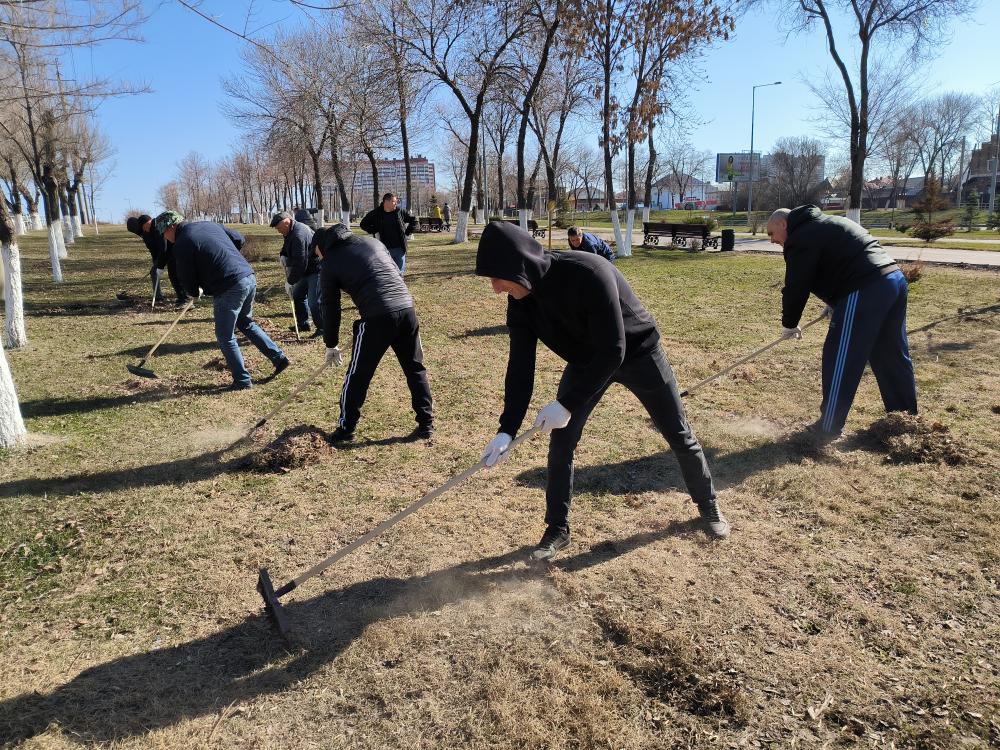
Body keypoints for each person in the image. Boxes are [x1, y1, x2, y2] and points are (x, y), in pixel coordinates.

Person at [475, 221, 729, 561]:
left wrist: (566, 404)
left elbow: (614, 349)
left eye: (496, 277)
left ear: (517, 266)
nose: (494, 288)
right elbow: (520, 368)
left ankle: (708, 506)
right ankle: (557, 529)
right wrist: (507, 429)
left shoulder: (589, 271)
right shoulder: (521, 303)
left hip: (638, 353)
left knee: (677, 432)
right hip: (586, 360)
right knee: (561, 442)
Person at [767, 205, 917, 441]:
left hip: (866, 287)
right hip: (893, 280)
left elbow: (797, 285)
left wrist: (789, 323)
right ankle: (905, 419)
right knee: (891, 353)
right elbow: (841, 260)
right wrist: (837, 301)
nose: (772, 241)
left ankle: (828, 428)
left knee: (841, 356)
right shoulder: (825, 223)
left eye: (771, 234)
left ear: (783, 224)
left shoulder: (801, 237)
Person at [314, 222, 434, 443]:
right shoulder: (373, 242)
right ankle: (426, 423)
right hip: (407, 309)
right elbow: (395, 274)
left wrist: (331, 343)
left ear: (322, 246)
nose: (317, 258)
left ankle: (346, 429)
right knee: (415, 368)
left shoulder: (330, 263)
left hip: (377, 318)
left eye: (317, 254)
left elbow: (330, 307)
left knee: (358, 375)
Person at [153, 211, 290, 391]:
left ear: (171, 227)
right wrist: (225, 256)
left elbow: (186, 276)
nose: (165, 238)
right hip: (248, 276)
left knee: (225, 336)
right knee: (245, 322)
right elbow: (239, 239)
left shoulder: (182, 243)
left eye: (164, 233)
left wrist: (193, 292)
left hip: (229, 286)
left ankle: (242, 381)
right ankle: (279, 358)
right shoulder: (209, 224)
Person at [271, 210, 323, 337]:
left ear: (287, 223)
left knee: (314, 303)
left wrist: (290, 281)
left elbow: (300, 262)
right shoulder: (289, 231)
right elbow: (286, 245)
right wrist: (283, 254)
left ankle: (323, 329)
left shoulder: (299, 234)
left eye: (279, 228)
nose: (278, 231)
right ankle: (303, 324)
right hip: (304, 270)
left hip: (315, 270)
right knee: (298, 295)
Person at [125, 214, 190, 306]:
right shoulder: (148, 230)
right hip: (166, 254)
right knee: (167, 274)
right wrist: (156, 263)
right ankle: (180, 297)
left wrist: (159, 264)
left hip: (171, 252)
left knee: (176, 274)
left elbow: (163, 247)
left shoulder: (155, 228)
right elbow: (153, 250)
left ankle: (185, 298)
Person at [360, 193, 417, 274]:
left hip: (399, 250)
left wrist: (408, 232)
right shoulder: (376, 213)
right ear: (386, 202)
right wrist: (374, 230)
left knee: (399, 274)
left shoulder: (400, 211)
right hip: (382, 250)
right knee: (386, 274)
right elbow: (363, 224)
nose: (396, 203)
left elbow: (414, 221)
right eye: (394, 201)